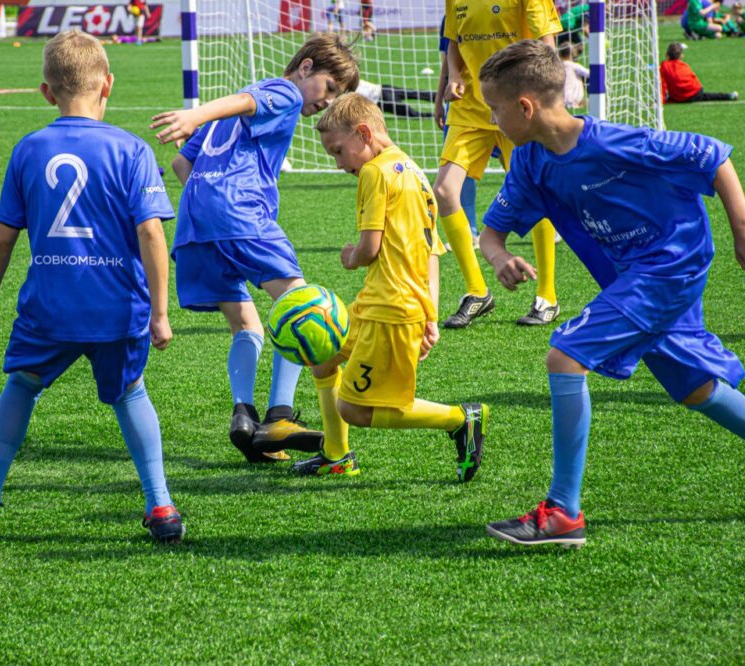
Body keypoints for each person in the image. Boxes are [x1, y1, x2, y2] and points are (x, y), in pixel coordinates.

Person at [476, 40, 745, 547]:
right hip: (632, 273)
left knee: (565, 357)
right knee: (691, 385)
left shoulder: (616, 142)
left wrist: (744, 228)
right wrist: (500, 257)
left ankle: (562, 513)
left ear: (525, 107)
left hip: (672, 263)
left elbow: (712, 156)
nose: (491, 119)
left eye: (494, 109)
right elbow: (492, 232)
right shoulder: (530, 161)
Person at [0, 30, 185, 544]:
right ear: (108, 85)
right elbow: (151, 233)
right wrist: (160, 314)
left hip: (48, 309)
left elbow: (0, 238)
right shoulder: (133, 150)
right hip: (117, 309)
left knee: (22, 387)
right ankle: (160, 507)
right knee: (130, 392)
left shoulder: (29, 149)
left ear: (47, 92)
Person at [150, 33, 360, 464]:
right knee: (303, 305)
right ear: (306, 67)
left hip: (196, 221)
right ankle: (280, 415)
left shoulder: (237, 112)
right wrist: (195, 114)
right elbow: (245, 101)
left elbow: (180, 162)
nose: (329, 101)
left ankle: (244, 415)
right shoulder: (281, 91)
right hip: (241, 211)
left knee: (247, 324)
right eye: (330, 88)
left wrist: (209, 201)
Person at [294, 92, 488, 480]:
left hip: (391, 309)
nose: (338, 164)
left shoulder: (373, 172)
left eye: (338, 151)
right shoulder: (415, 172)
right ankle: (337, 457)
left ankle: (459, 419)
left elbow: (369, 249)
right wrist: (430, 315)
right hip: (382, 302)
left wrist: (350, 257)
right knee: (323, 360)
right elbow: (432, 253)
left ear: (364, 133)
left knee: (355, 409)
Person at [436, 0, 563, 329]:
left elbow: (546, 45)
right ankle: (477, 291)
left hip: (518, 107)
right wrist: (445, 86)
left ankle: (547, 296)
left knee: (536, 192)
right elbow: (454, 43)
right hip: (469, 108)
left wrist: (549, 101)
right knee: (445, 190)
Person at [434, 15, 480, 244]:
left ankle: (546, 226)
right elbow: (448, 60)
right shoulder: (453, 12)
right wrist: (438, 101)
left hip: (504, 100)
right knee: (459, 173)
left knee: (522, 167)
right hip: (463, 105)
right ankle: (469, 229)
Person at [660, 42, 739, 103]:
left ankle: (729, 96)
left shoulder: (664, 66)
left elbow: (662, 85)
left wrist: (661, 100)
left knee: (706, 96)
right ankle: (729, 96)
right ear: (681, 56)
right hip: (695, 92)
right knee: (708, 96)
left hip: (679, 97)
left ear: (667, 55)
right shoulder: (684, 65)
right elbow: (693, 79)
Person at [357, 78, 436, 118]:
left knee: (413, 113)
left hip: (382, 100)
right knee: (414, 93)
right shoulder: (352, 76)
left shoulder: (347, 86)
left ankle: (435, 115)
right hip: (383, 88)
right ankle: (439, 96)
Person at [559, 40, 588, 109]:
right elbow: (589, 74)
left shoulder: (559, 66)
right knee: (590, 102)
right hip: (573, 98)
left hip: (561, 99)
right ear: (573, 53)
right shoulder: (574, 66)